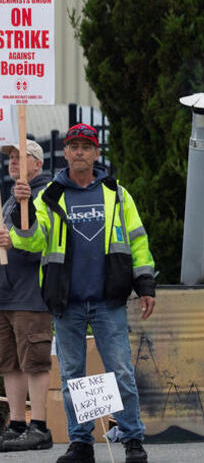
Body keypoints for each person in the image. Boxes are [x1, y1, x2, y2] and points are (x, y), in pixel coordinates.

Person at [1, 123, 156, 463]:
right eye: (74, 146)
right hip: (66, 301)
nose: (80, 151)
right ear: (66, 152)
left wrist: (145, 285)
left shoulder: (117, 193)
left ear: (97, 153)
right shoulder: (50, 195)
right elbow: (32, 242)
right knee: (72, 377)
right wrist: (23, 215)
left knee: (122, 372)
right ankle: (81, 444)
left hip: (108, 300)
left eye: (87, 146)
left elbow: (138, 241)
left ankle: (133, 441)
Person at [0, 140, 53, 452]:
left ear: (38, 164)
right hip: (6, 292)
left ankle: (41, 426)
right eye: (11, 159)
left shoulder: (45, 195)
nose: (14, 163)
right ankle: (18, 423)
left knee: (34, 360)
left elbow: (42, 239)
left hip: (31, 292)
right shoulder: (11, 199)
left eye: (22, 158)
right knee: (10, 363)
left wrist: (14, 240)